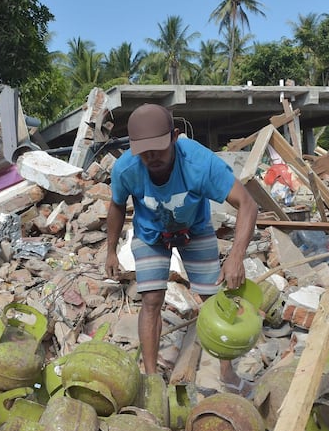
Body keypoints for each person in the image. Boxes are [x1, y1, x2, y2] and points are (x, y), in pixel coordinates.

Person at [104, 103, 258, 391]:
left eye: (159, 149)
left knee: (215, 299)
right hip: (150, 234)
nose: (151, 157)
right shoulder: (126, 168)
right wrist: (111, 251)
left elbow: (247, 203)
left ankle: (226, 373)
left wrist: (236, 257)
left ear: (175, 136)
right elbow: (115, 205)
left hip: (195, 230)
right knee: (151, 300)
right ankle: (152, 380)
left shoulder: (200, 163)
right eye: (144, 152)